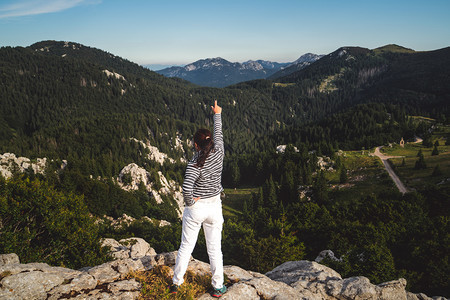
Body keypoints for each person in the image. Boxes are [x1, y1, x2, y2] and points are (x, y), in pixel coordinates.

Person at [170, 100, 227, 298]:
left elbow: (186, 187)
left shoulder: (194, 163)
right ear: (210, 142)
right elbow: (218, 134)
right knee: (214, 249)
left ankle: (177, 283)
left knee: (186, 246)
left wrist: (190, 203)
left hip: (197, 208)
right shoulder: (219, 153)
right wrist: (217, 114)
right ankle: (218, 287)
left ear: (196, 145)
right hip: (214, 206)